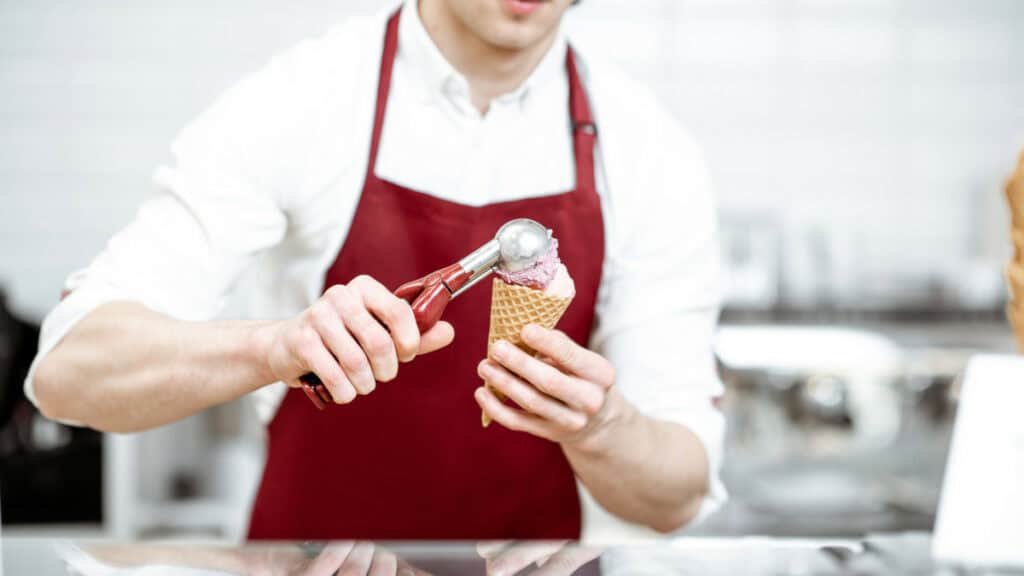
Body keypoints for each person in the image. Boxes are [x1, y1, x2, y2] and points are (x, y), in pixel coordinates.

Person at [27, 0, 726, 540]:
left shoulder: (649, 152)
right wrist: (271, 347)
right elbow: (69, 374)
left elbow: (677, 496)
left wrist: (600, 427)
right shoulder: (302, 100)